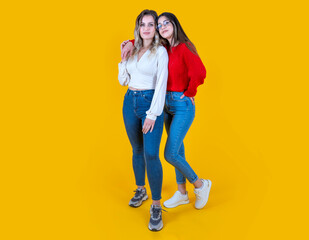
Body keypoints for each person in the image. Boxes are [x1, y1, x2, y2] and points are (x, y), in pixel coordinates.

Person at [121, 12, 211, 210]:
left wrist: (189, 92)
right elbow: (143, 39)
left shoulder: (184, 47)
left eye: (165, 23)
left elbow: (200, 72)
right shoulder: (163, 47)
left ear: (175, 24)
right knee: (178, 149)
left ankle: (200, 184)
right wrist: (127, 42)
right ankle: (182, 192)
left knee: (170, 153)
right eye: (159, 25)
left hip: (180, 104)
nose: (162, 27)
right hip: (165, 103)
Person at [118, 9, 168, 231]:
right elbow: (123, 80)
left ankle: (156, 206)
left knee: (151, 153)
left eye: (151, 24)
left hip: (150, 102)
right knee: (136, 150)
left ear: (156, 28)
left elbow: (161, 85)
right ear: (138, 28)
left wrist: (152, 114)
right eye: (142, 24)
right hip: (130, 100)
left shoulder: (160, 52)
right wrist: (122, 60)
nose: (146, 28)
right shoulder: (134, 48)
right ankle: (141, 189)